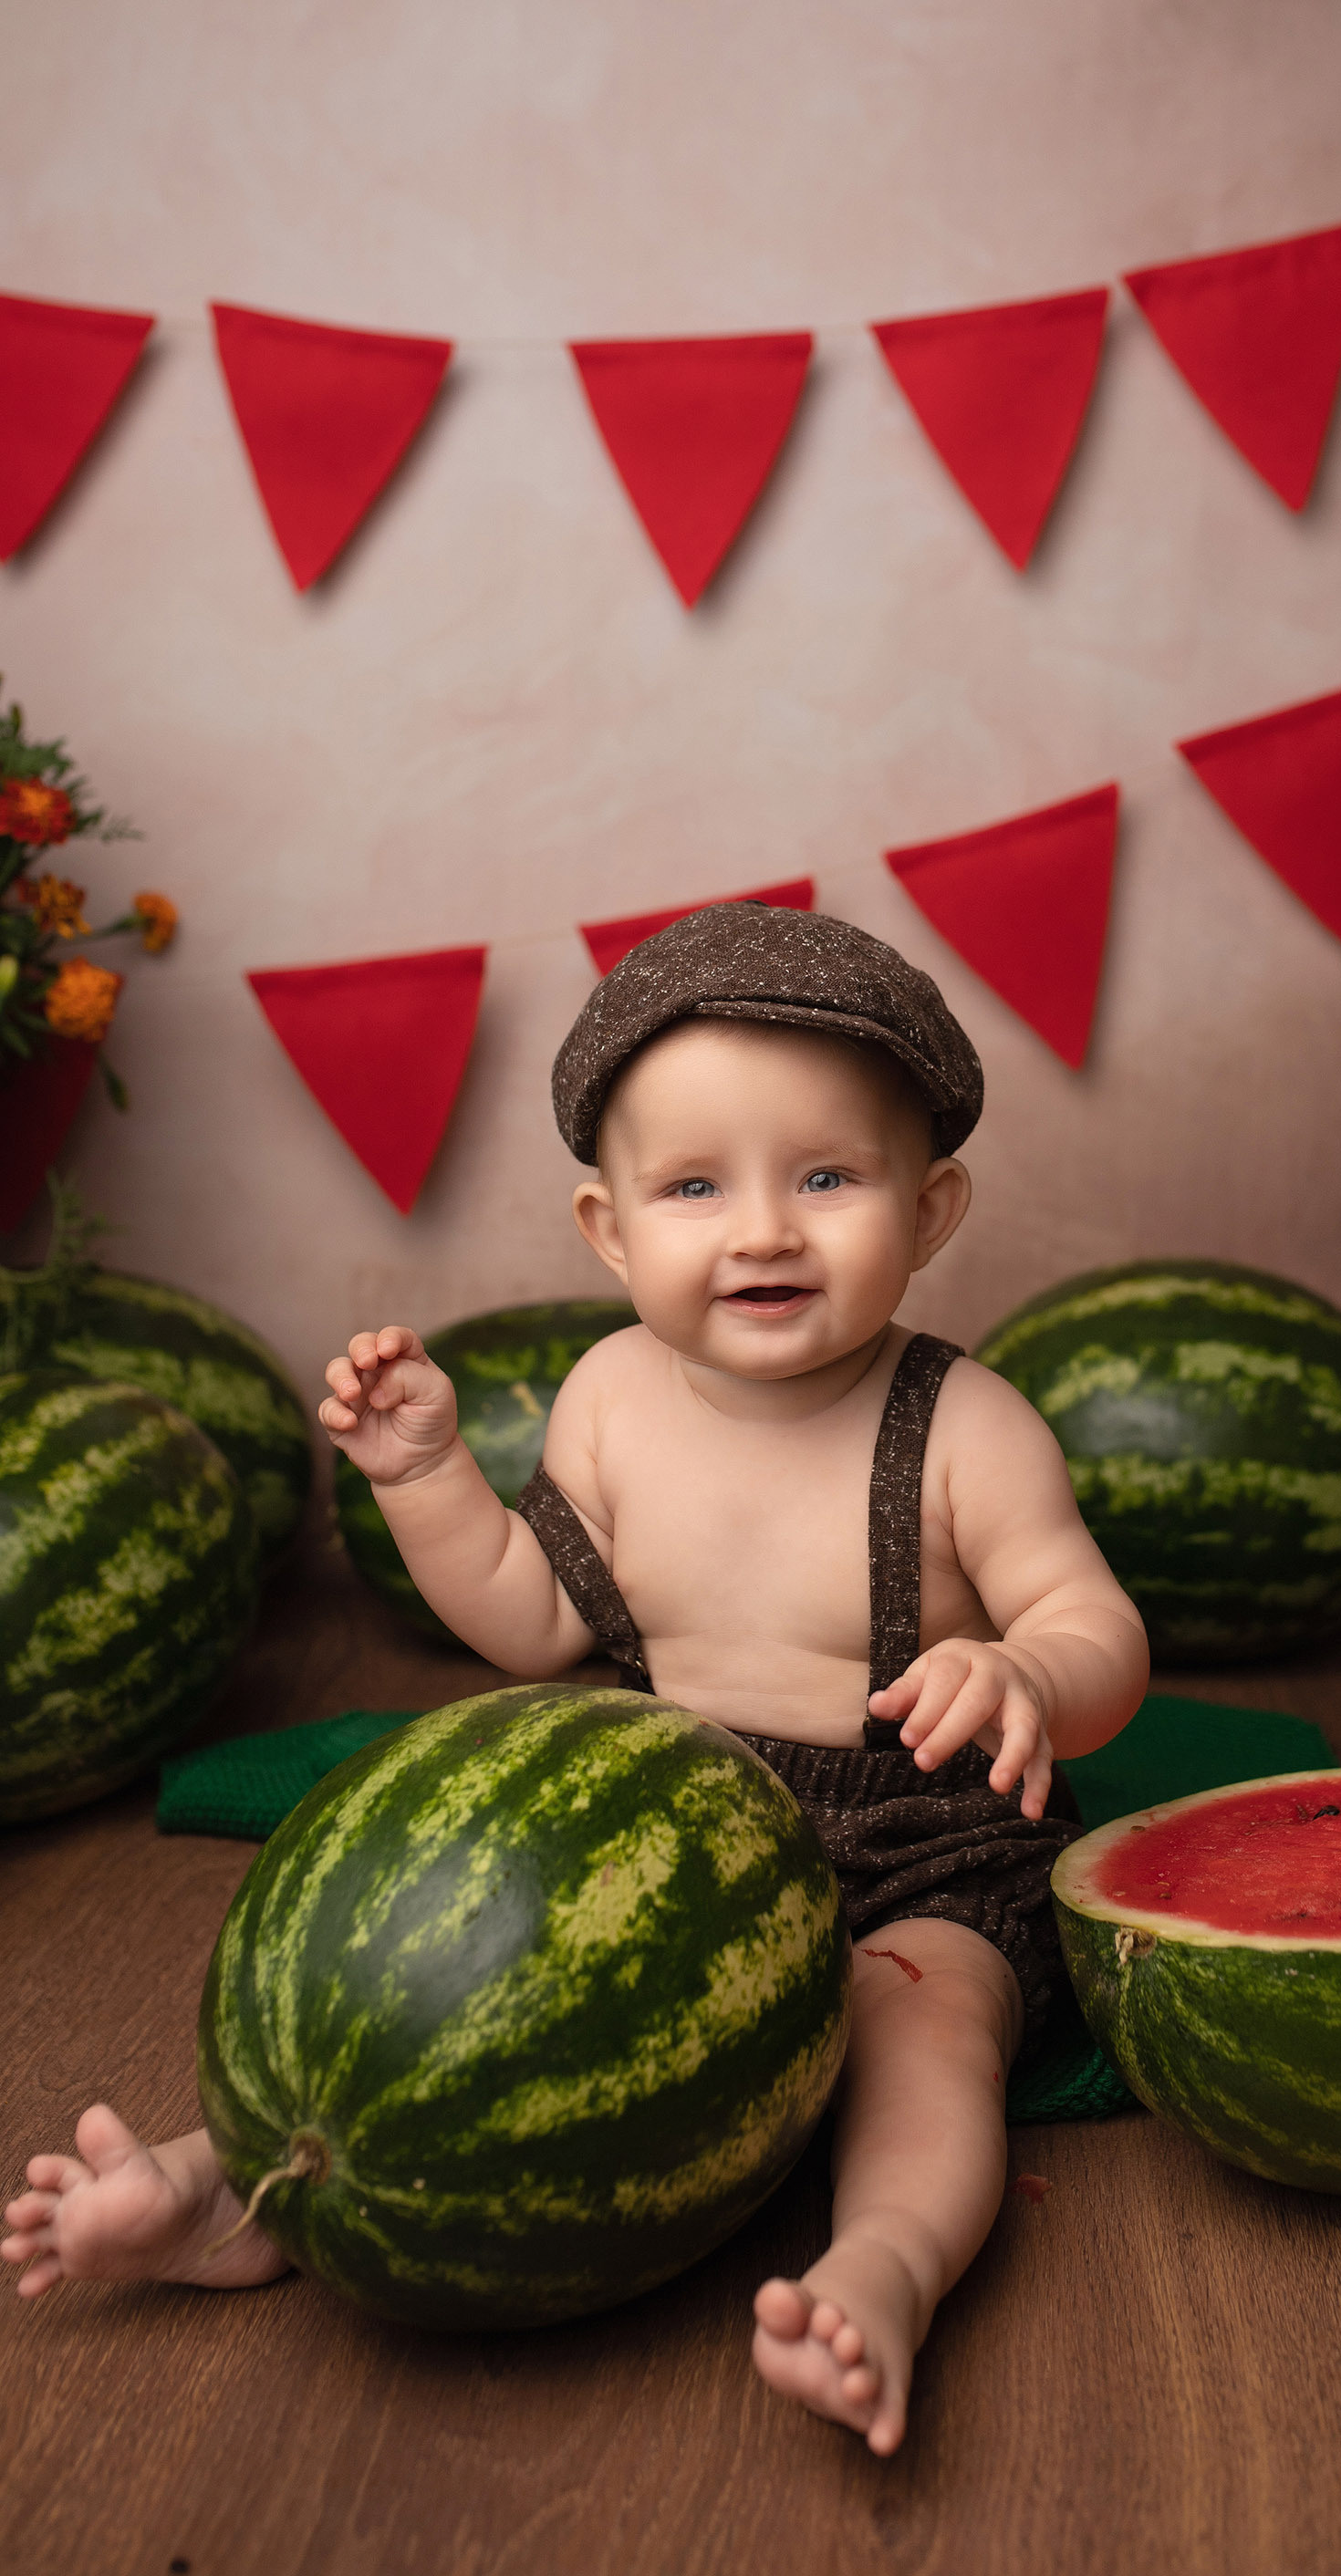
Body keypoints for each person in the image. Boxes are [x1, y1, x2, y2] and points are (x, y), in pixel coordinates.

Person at [3, 904, 1148, 2457]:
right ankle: (228, 2182)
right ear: (608, 1231)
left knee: (931, 2043)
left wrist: (1028, 1672)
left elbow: (1101, 1633)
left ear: (931, 1208)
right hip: (650, 1816)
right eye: (694, 1187)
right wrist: (422, 1477)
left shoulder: (969, 1425)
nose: (762, 1230)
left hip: (917, 1836)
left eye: (827, 1177)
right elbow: (535, 1625)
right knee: (442, 1982)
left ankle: (887, 2268)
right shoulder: (610, 1397)